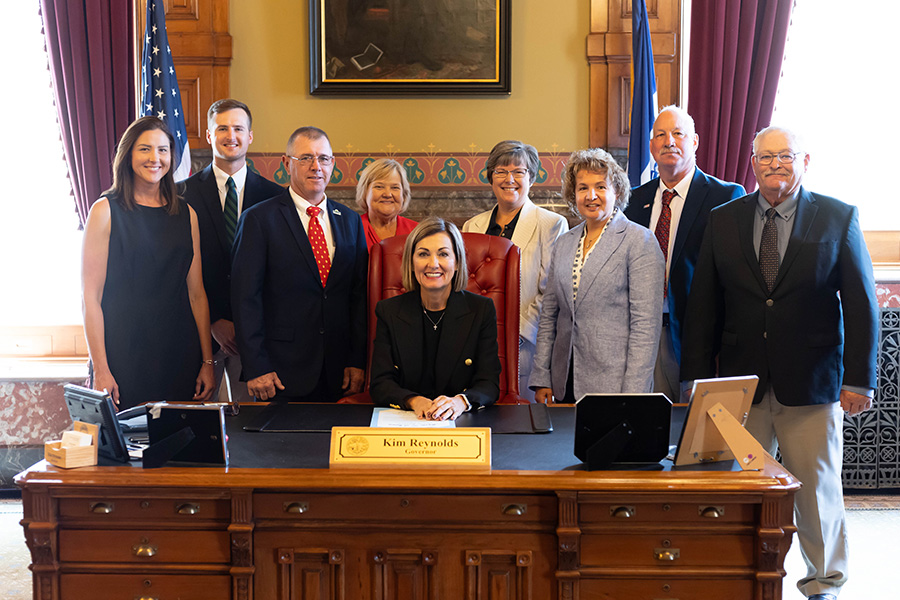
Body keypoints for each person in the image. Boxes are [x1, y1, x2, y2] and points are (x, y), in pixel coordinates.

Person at [680, 126, 878, 600]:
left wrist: (859, 381)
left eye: (785, 156)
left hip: (812, 382)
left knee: (816, 490)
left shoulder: (837, 217)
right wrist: (695, 375)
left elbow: (861, 304)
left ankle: (824, 582)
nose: (775, 165)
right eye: (766, 158)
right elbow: (703, 301)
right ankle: (739, 578)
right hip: (739, 385)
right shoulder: (724, 219)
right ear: (752, 163)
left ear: (805, 161)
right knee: (738, 493)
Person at [81, 116, 215, 409]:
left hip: (180, 355)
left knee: (183, 450)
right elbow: (91, 298)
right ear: (128, 155)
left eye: (163, 150)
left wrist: (207, 362)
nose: (155, 158)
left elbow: (197, 294)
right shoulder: (104, 211)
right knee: (125, 450)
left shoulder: (187, 214)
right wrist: (101, 369)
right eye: (145, 149)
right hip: (122, 355)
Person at [231, 126, 367, 402]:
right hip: (280, 373)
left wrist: (357, 359)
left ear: (332, 164)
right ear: (286, 163)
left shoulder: (349, 220)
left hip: (338, 371)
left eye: (323, 158)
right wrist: (257, 366)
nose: (316, 166)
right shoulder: (259, 219)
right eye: (305, 158)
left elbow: (358, 296)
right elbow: (245, 298)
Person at [625, 106, 745, 402]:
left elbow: (734, 275)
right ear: (651, 146)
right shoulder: (633, 199)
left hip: (700, 338)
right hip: (642, 334)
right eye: (661, 135)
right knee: (648, 427)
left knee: (699, 433)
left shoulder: (725, 196)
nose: (669, 141)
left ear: (694, 142)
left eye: (678, 133)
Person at [530, 149, 664, 403]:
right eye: (583, 188)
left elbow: (645, 328)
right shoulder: (564, 242)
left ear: (617, 191)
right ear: (574, 194)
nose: (591, 196)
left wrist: (633, 394)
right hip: (562, 384)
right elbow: (549, 316)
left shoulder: (639, 241)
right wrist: (542, 377)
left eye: (601, 186)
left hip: (614, 386)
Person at [183, 99, 284, 403]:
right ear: (209, 135)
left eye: (238, 128)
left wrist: (244, 324)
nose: (231, 136)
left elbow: (278, 272)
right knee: (200, 430)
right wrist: (213, 320)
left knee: (253, 432)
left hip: (256, 337)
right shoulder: (181, 194)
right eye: (222, 128)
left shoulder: (275, 197)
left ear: (250, 136)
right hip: (199, 334)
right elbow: (179, 267)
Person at [463, 140, 568, 402]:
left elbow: (551, 292)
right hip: (474, 347)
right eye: (501, 171)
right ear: (490, 177)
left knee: (519, 427)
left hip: (525, 347)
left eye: (519, 172)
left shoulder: (552, 224)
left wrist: (510, 333)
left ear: (531, 177)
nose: (510, 179)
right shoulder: (471, 225)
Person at [370, 217, 501, 420]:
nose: (433, 264)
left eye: (443, 254)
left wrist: (460, 402)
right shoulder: (389, 311)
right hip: (408, 420)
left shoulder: (481, 309)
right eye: (423, 254)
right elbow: (380, 383)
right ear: (411, 262)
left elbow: (489, 383)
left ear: (456, 262)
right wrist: (414, 401)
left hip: (460, 421)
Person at [356, 158, 418, 251]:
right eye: (379, 187)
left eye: (395, 187)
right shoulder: (351, 230)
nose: (387, 194)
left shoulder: (417, 232)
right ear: (365, 192)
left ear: (403, 195)